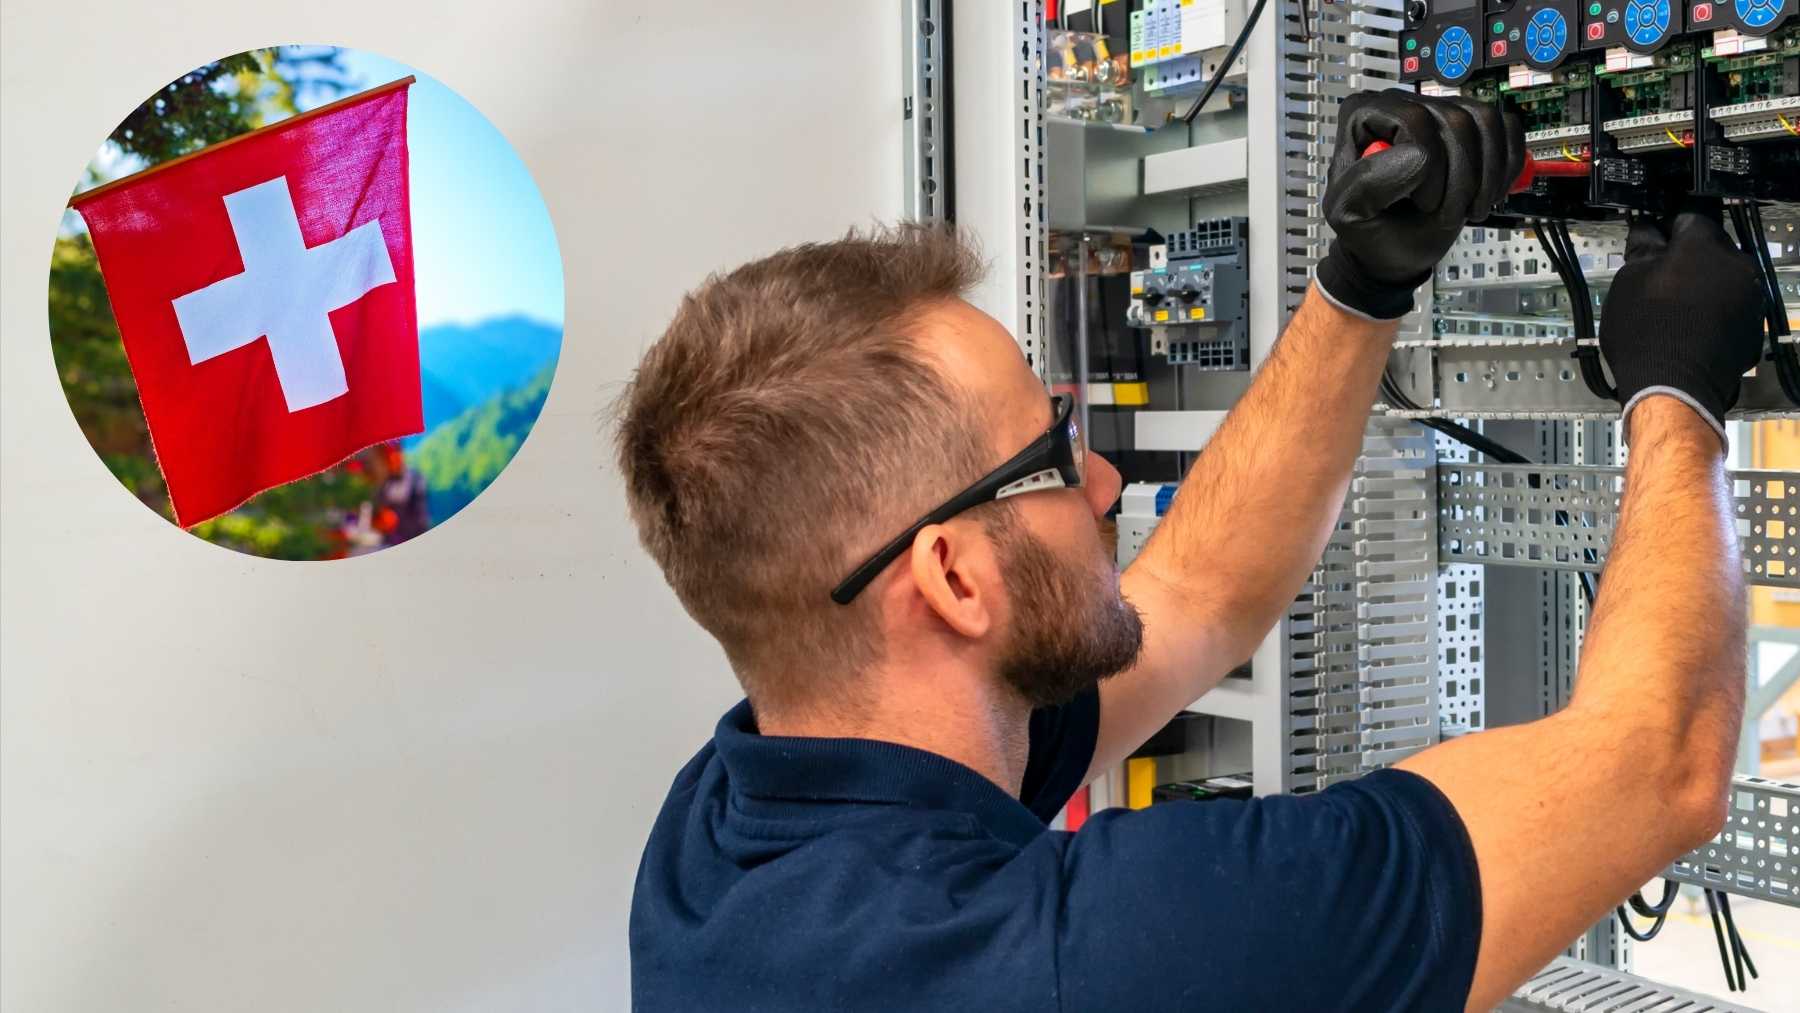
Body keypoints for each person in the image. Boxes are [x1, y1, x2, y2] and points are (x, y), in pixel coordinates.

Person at [613, 91, 1765, 1011]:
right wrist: (1678, 393)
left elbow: (1199, 592)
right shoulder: (1089, 959)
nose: (1107, 480)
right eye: (1052, 457)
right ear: (954, 578)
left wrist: (1363, 282)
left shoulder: (726, 834)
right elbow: (1661, 762)